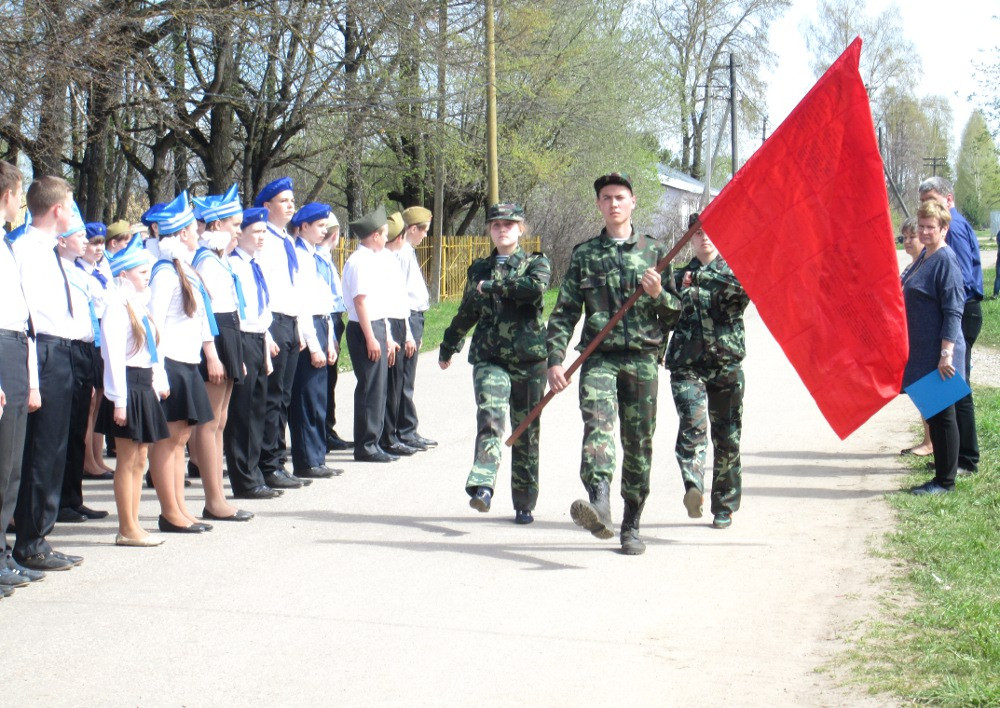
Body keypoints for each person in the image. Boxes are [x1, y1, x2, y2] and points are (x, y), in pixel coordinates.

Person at [546, 172, 680, 555]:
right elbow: (564, 312)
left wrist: (658, 295)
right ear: (598, 205)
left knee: (638, 445)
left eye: (620, 197)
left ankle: (632, 524)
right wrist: (554, 360)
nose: (614, 204)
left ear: (633, 202)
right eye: (606, 198)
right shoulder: (585, 254)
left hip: (641, 360)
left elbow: (676, 315)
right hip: (599, 360)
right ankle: (600, 502)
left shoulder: (656, 252)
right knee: (598, 428)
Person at [439, 202, 550, 523]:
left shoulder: (535, 263)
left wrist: (492, 286)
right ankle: (483, 485)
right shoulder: (479, 268)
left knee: (526, 431)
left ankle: (524, 502)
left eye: (509, 224)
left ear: (520, 229)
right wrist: (449, 344)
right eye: (496, 224)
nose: (502, 229)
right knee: (490, 417)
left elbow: (533, 289)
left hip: (529, 360)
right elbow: (468, 311)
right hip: (489, 357)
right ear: (489, 230)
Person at [12, 177, 91, 571]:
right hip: (42, 350)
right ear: (58, 209)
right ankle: (29, 542)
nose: (73, 213)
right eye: (70, 205)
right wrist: (32, 375)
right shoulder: (27, 249)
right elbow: (25, 316)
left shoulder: (46, 251)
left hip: (61, 350)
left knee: (55, 447)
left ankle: (39, 534)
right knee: (41, 451)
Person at [665, 214, 749, 530]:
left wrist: (702, 280)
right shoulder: (676, 276)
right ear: (689, 238)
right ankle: (693, 486)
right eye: (697, 233)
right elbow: (664, 311)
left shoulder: (733, 272)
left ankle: (724, 505)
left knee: (727, 437)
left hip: (726, 367)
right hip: (687, 367)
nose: (704, 238)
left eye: (711, 231)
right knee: (692, 424)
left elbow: (741, 293)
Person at [146, 191, 219, 533]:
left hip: (187, 362)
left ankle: (180, 507)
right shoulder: (164, 272)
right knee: (169, 441)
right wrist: (156, 372)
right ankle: (169, 511)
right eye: (192, 228)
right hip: (171, 363)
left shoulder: (185, 269)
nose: (198, 233)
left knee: (181, 439)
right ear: (181, 235)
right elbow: (154, 325)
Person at [97, 235, 169, 546]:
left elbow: (151, 350)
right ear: (124, 274)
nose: (147, 277)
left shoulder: (138, 305)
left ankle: (135, 523)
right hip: (125, 387)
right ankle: (126, 527)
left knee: (140, 459)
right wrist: (119, 401)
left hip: (141, 385)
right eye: (142, 272)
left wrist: (156, 382)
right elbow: (112, 357)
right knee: (127, 460)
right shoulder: (116, 306)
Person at [189, 187, 254, 521]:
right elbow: (204, 311)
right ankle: (213, 499)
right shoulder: (205, 260)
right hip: (216, 335)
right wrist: (212, 354)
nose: (239, 231)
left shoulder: (218, 259)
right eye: (234, 224)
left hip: (228, 331)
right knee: (210, 422)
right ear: (215, 225)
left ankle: (218, 495)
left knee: (221, 420)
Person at [0, 161, 46, 589]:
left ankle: (2, 553)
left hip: (14, 345)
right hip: (1, 347)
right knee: (3, 462)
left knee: (10, 463)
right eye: (16, 195)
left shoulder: (4, 242)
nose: (19, 204)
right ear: (8, 195)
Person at [902, 199, 966, 495]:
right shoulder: (925, 257)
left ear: (944, 229)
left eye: (931, 227)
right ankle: (941, 472)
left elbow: (954, 309)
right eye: (922, 227)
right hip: (921, 351)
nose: (925, 232)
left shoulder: (945, 260)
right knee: (934, 413)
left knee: (943, 415)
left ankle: (945, 481)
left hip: (936, 353)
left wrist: (946, 353)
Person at [918, 177, 981, 475]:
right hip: (948, 316)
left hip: (959, 314)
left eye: (931, 198)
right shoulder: (933, 241)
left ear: (949, 199)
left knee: (957, 391)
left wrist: (946, 344)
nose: (926, 205)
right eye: (922, 201)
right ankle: (949, 458)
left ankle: (964, 459)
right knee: (950, 394)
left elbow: (961, 282)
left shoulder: (951, 231)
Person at [253, 177, 308, 490]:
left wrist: (299, 325)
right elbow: (264, 289)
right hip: (272, 322)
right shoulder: (264, 241)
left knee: (283, 396)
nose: (290, 205)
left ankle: (278, 459)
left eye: (292, 200)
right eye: (283, 200)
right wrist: (268, 331)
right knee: (271, 397)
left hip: (289, 321)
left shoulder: (287, 240)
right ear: (267, 206)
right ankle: (267, 463)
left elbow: (294, 288)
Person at [225, 208, 283, 499]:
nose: (262, 237)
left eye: (263, 231)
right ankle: (244, 479)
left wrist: (267, 339)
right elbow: (237, 311)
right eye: (256, 232)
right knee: (243, 414)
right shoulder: (233, 265)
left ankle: (255, 472)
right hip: (243, 339)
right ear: (242, 233)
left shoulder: (254, 265)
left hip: (258, 337)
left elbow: (262, 310)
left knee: (258, 409)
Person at [287, 202, 341, 479]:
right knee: (306, 398)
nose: (324, 231)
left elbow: (325, 303)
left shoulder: (313, 256)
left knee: (318, 397)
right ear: (303, 227)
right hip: (309, 330)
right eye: (319, 226)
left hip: (322, 324)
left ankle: (317, 456)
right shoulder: (297, 256)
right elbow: (303, 305)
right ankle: (306, 460)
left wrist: (330, 341)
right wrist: (315, 345)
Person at [342, 205, 399, 463]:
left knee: (379, 388)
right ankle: (366, 445)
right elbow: (361, 302)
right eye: (385, 233)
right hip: (364, 327)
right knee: (369, 388)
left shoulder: (371, 260)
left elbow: (379, 305)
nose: (387, 238)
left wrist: (385, 335)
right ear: (375, 235)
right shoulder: (360, 262)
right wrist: (370, 337)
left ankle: (373, 441)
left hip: (375, 326)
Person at [394, 206, 437, 450]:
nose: (425, 236)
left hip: (415, 316)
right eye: (424, 231)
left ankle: (408, 428)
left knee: (407, 376)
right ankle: (405, 430)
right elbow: (400, 294)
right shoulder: (401, 253)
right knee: (405, 378)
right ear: (412, 229)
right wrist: (409, 333)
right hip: (407, 317)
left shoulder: (408, 251)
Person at [76, 222, 115, 482]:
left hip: (104, 332)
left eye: (101, 243)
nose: (98, 248)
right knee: (89, 401)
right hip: (92, 333)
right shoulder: (80, 271)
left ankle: (97, 457)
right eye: (93, 243)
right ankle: (86, 459)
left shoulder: (102, 269)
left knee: (100, 400)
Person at [381, 212, 419, 457]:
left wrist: (407, 334)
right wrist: (388, 334)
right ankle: (386, 436)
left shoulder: (393, 259)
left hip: (399, 322)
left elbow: (401, 301)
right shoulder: (382, 261)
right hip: (386, 324)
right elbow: (378, 302)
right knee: (386, 386)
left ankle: (393, 434)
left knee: (396, 385)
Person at [898, 217, 933, 458]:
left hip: (928, 339)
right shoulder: (911, 267)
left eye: (913, 236)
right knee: (922, 391)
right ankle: (929, 439)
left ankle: (933, 443)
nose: (908, 241)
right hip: (914, 338)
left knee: (933, 393)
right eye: (905, 237)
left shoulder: (930, 265)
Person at [321, 216, 352, 452]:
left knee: (329, 379)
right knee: (323, 380)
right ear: (335, 235)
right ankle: (323, 430)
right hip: (326, 320)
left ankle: (327, 428)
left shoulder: (326, 259)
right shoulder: (318, 260)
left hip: (333, 319)